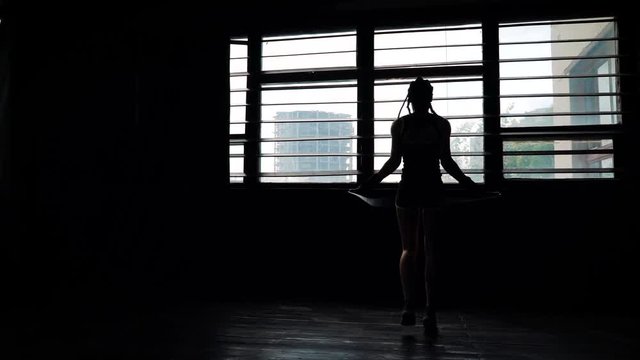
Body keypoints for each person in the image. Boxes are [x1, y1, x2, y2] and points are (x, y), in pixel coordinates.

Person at [353, 77, 477, 337]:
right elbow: (447, 161)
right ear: (430, 98)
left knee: (409, 248)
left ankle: (409, 306)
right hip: (432, 187)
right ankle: (430, 311)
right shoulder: (440, 125)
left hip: (408, 187)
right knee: (432, 250)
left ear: (409, 98)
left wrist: (371, 182)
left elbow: (393, 162)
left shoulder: (400, 125)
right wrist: (467, 183)